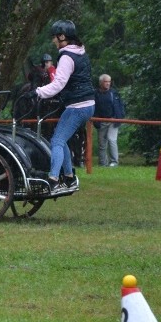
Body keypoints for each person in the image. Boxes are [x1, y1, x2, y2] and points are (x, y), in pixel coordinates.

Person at [34, 20, 95, 195]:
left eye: (55, 37)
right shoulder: (81, 52)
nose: (53, 41)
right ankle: (68, 177)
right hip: (87, 104)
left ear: (62, 36)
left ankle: (53, 180)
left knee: (57, 141)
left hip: (78, 106)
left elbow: (59, 83)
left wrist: (38, 92)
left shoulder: (67, 56)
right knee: (61, 139)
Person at [94, 74, 126, 167]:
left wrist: (120, 116)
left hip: (113, 120)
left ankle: (114, 162)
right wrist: (96, 121)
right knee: (102, 143)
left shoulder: (114, 93)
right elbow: (93, 107)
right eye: (106, 81)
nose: (108, 83)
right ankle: (102, 163)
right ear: (100, 83)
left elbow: (120, 105)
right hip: (101, 121)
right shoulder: (95, 94)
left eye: (109, 81)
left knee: (112, 140)